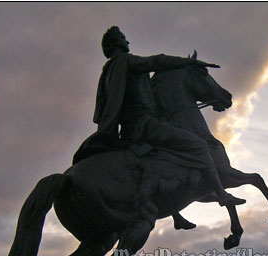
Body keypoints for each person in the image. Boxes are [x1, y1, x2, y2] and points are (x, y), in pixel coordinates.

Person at [73, 26, 245, 207]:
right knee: (199, 145)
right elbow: (157, 62)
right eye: (123, 38)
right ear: (116, 42)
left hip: (127, 132)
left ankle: (175, 211)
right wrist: (187, 63)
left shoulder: (106, 74)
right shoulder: (127, 62)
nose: (127, 41)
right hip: (146, 125)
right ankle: (221, 194)